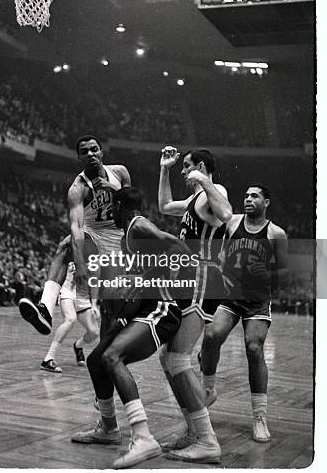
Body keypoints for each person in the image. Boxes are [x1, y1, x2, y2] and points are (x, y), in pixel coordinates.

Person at [71, 187, 190, 469]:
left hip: (162, 309)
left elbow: (180, 248)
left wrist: (148, 279)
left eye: (111, 205)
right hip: (142, 310)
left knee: (113, 357)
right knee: (96, 360)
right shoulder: (128, 235)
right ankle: (109, 428)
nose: (108, 211)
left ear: (118, 205)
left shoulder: (138, 225)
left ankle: (143, 437)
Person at [158, 146, 232, 463]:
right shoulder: (193, 200)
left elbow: (227, 213)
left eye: (185, 167)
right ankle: (193, 431)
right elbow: (163, 206)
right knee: (167, 357)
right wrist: (164, 169)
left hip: (205, 275)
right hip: (189, 278)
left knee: (178, 358)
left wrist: (202, 178)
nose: (183, 172)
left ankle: (207, 441)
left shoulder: (213, 192)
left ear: (200, 166)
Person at [200, 184, 288, 443]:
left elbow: (283, 270)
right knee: (212, 335)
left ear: (266, 202)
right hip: (231, 295)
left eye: (255, 196)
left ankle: (259, 416)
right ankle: (208, 389)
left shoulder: (275, 233)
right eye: (246, 195)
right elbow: (215, 206)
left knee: (254, 348)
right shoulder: (233, 222)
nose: (248, 199)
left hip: (257, 300)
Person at [19, 135, 131, 336]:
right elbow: (76, 226)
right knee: (64, 245)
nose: (90, 153)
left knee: (110, 307)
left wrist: (113, 189)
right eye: (84, 151)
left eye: (94, 149)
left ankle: (106, 352)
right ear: (79, 158)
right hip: (93, 235)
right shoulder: (77, 188)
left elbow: (132, 206)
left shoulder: (120, 173)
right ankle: (45, 307)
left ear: (101, 152)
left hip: (117, 236)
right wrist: (79, 264)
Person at [41, 258, 99, 372]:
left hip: (83, 297)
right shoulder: (71, 249)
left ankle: (78, 346)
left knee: (94, 332)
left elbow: (95, 283)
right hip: (67, 292)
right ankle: (48, 359)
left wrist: (94, 304)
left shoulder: (95, 258)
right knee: (70, 319)